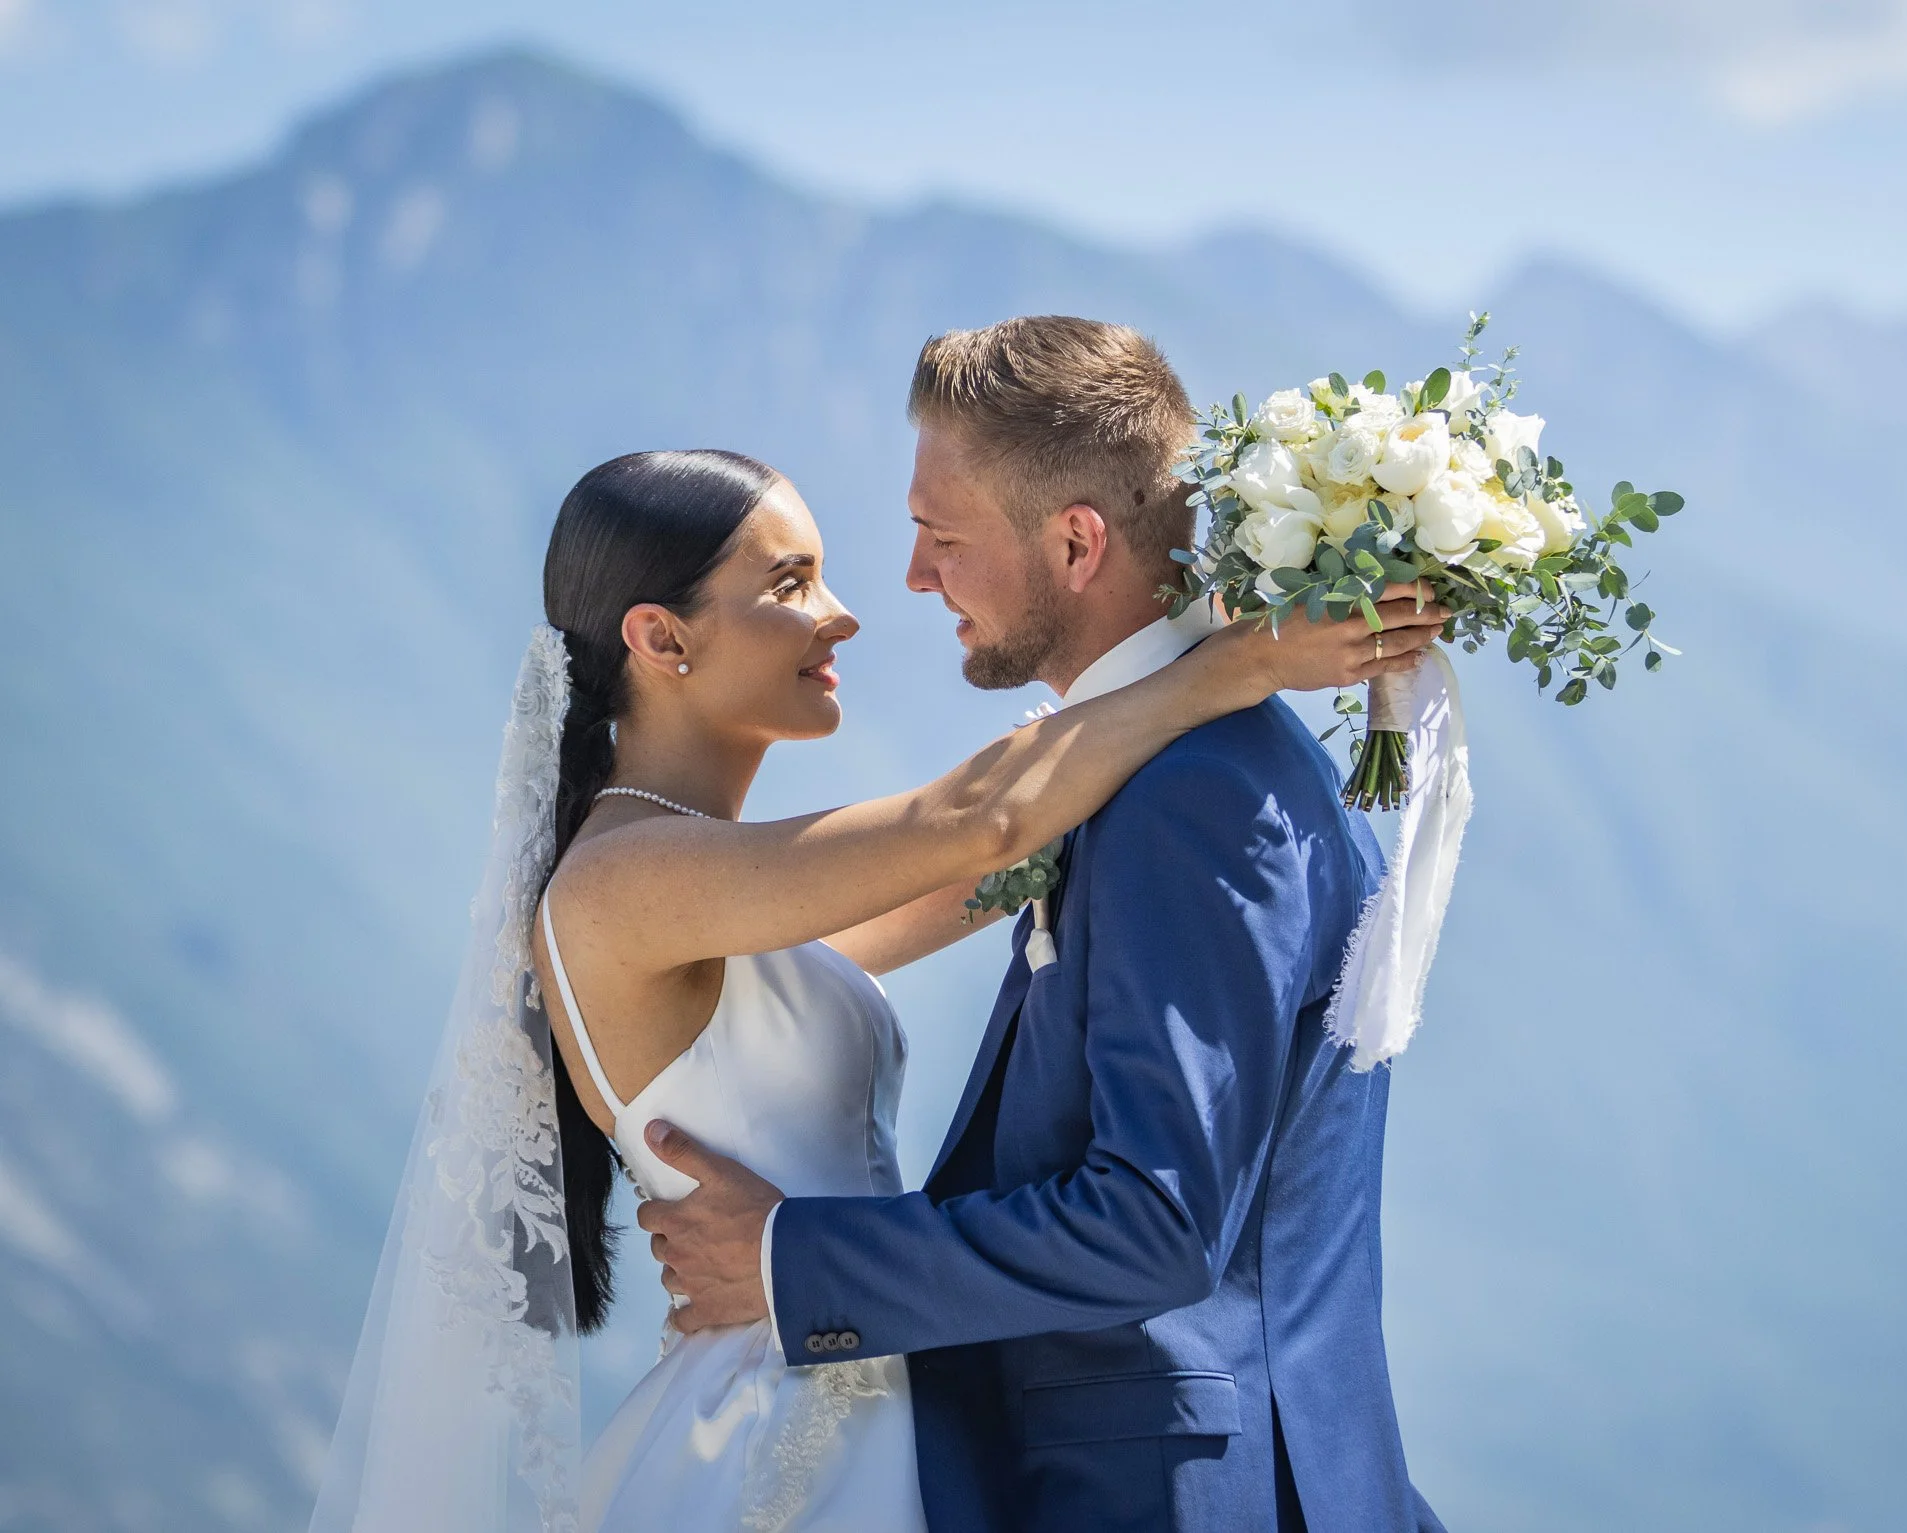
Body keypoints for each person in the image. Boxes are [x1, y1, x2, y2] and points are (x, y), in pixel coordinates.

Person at [308, 439, 1440, 1533]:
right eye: (790, 583)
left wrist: (1184, 631)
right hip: (774, 1439)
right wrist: (1234, 664)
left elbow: (1002, 859)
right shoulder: (624, 881)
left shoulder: (724, 894)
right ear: (660, 638)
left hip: (873, 1389)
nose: (842, 610)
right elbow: (977, 825)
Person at [642, 318, 1451, 1532]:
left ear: (1076, 543)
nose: (913, 577)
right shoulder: (1156, 767)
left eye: (941, 535)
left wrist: (787, 1262)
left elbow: (1155, 1223)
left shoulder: (1197, 799)